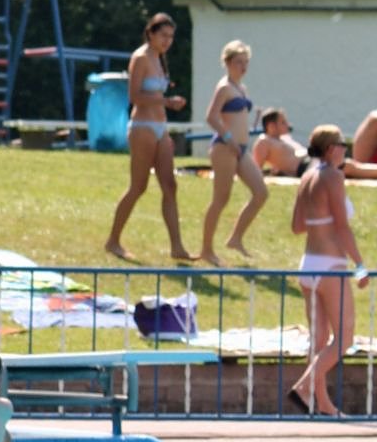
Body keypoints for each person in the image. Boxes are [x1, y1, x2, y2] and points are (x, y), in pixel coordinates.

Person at [288, 126, 369, 417]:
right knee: (344, 337)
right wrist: (359, 265)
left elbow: (297, 226)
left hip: (308, 264)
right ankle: (303, 386)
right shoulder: (333, 176)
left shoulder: (307, 176)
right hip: (330, 265)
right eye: (342, 143)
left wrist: (319, 221)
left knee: (319, 339)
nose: (346, 148)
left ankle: (324, 406)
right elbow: (342, 227)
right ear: (330, 148)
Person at [105, 13, 194, 262]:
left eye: (171, 37)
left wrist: (167, 105)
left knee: (170, 185)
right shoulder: (141, 57)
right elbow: (134, 96)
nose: (167, 41)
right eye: (163, 35)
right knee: (138, 186)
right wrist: (166, 101)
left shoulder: (159, 58)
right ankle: (113, 240)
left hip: (160, 127)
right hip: (142, 126)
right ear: (151, 33)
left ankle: (177, 246)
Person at [200, 41, 268, 265]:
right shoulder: (224, 87)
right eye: (239, 62)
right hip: (224, 147)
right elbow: (211, 117)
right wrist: (229, 138)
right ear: (228, 63)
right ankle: (207, 250)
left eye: (246, 62)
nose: (243, 67)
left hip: (241, 149)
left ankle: (236, 238)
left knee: (261, 192)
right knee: (221, 199)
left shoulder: (241, 88)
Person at [254, 109, 377, 180]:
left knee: (349, 166)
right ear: (271, 126)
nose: (288, 124)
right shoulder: (264, 141)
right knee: (349, 167)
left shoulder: (283, 139)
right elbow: (257, 168)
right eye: (283, 122)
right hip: (304, 167)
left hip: (311, 160)